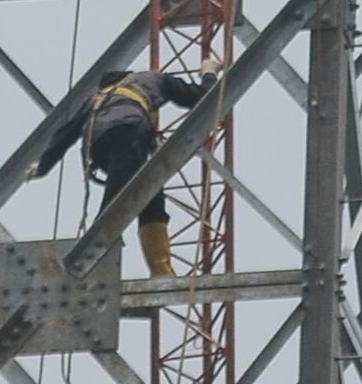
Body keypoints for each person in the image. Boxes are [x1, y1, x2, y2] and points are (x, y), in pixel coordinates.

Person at [27, 63, 221, 276]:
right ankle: (90, 261)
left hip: (98, 147)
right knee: (115, 201)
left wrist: (42, 167)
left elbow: (64, 136)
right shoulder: (152, 79)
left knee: (150, 197)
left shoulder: (96, 99)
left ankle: (161, 271)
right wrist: (209, 72)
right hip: (130, 132)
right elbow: (205, 96)